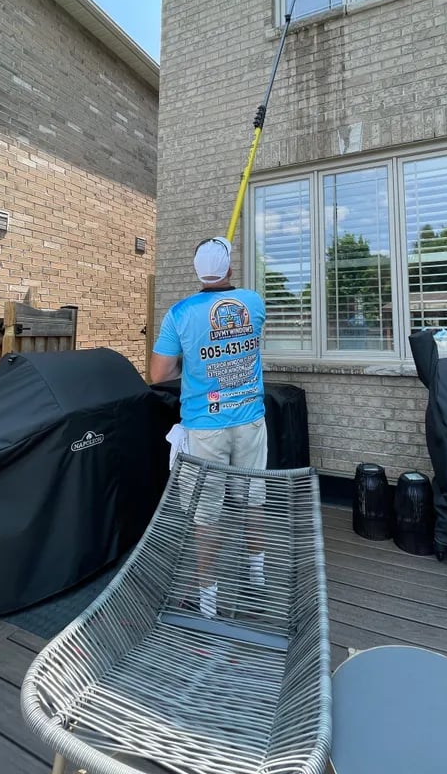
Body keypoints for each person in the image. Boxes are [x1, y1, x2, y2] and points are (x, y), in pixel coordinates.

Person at [149, 236, 267, 618]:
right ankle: (257, 578)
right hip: (250, 419)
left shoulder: (179, 314)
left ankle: (209, 601)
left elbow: (159, 374)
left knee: (206, 515)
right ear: (230, 269)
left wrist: (193, 363)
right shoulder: (253, 303)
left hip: (204, 427)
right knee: (252, 499)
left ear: (197, 272)